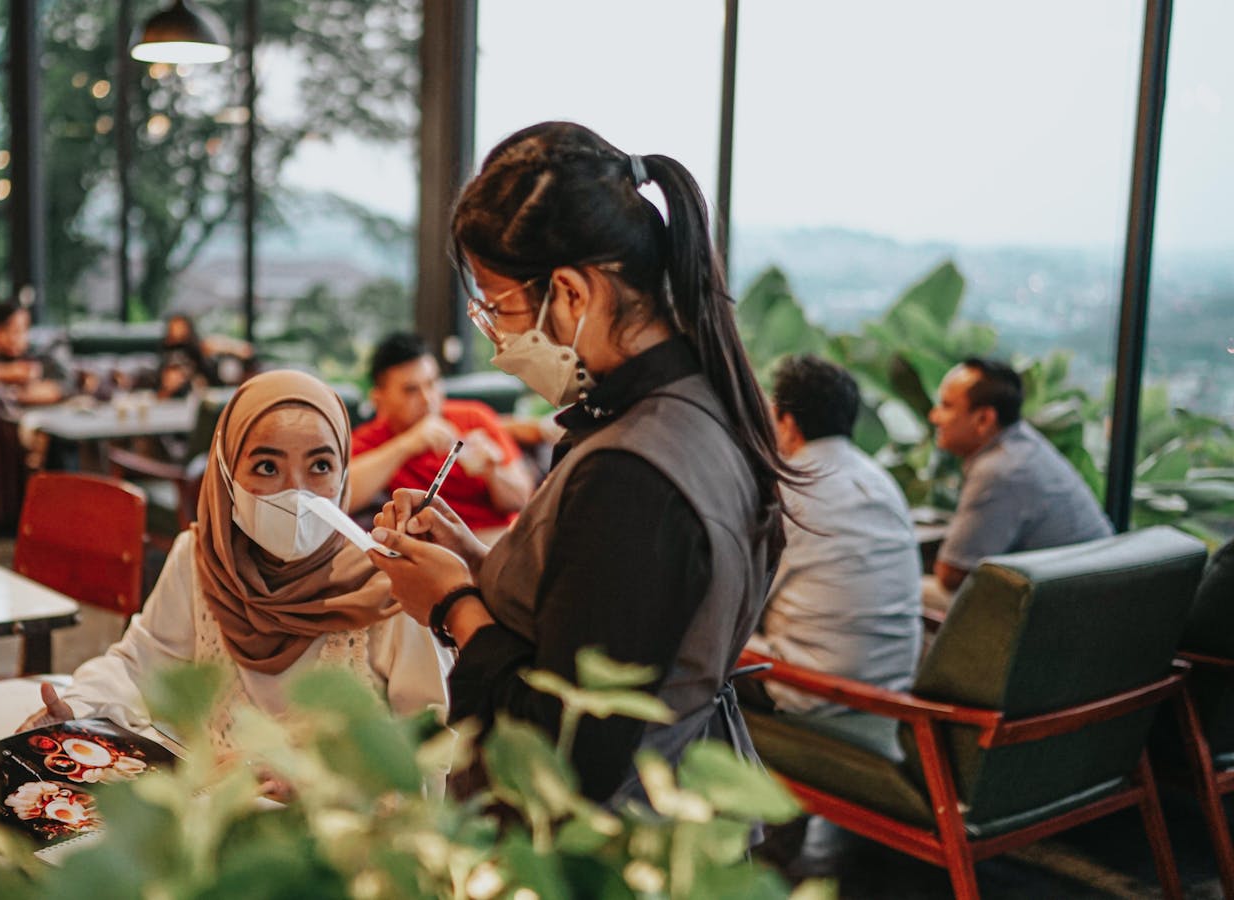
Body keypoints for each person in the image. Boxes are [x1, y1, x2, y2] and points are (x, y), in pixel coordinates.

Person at [363, 122, 798, 805]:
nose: (499, 338)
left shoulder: (634, 473)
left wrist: (452, 605)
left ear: (571, 293)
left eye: (498, 307)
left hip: (611, 842)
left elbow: (564, 750)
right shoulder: (697, 405)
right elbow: (597, 617)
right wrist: (477, 560)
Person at [19, 370, 451, 755]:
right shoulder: (201, 559)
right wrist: (77, 707)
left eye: (320, 465)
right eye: (266, 467)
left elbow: (430, 742)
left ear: (343, 476)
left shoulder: (392, 585)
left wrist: (319, 776)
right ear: (226, 474)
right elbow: (142, 663)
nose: (296, 493)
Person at [744, 355, 921, 716]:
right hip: (892, 687)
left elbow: (740, 600)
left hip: (813, 691)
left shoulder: (789, 489)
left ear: (787, 422)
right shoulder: (882, 481)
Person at [926, 358, 1113, 606]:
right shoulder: (1024, 443)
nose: (934, 416)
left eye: (946, 406)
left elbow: (952, 575)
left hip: (1065, 608)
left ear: (984, 419)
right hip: (1094, 593)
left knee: (897, 593)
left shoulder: (999, 470)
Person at [348, 332, 534, 542]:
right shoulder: (372, 440)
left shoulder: (475, 417)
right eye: (411, 390)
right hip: (439, 549)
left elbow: (521, 499)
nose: (428, 399)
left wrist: (493, 471)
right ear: (379, 399)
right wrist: (407, 444)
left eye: (432, 383)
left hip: (501, 538)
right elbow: (343, 497)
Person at [0, 300, 70, 405]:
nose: (15, 338)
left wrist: (22, 394)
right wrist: (7, 373)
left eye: (22, 330)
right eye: (7, 330)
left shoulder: (39, 357)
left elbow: (65, 384)